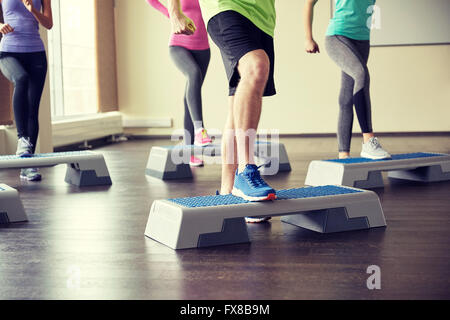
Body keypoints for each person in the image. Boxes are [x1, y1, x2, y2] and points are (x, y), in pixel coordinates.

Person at [167, 0, 277, 223]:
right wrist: (174, 12)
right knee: (257, 65)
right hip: (225, 7)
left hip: (263, 17)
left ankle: (228, 191)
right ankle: (247, 170)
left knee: (238, 93)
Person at [304, 0, 391, 160]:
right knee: (361, 74)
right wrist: (308, 38)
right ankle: (368, 140)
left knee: (346, 97)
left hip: (363, 40)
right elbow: (309, 2)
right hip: (338, 36)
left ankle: (344, 155)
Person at [147, 0, 213, 167]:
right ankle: (200, 131)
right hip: (178, 44)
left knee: (190, 96)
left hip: (203, 48)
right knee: (193, 74)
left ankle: (189, 151)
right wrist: (171, 14)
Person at [0, 0, 52, 181]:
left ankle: (28, 166)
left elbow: (49, 23)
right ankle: (22, 139)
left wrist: (33, 11)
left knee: (32, 108)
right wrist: (0, 25)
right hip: (9, 51)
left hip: (36, 52)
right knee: (20, 79)